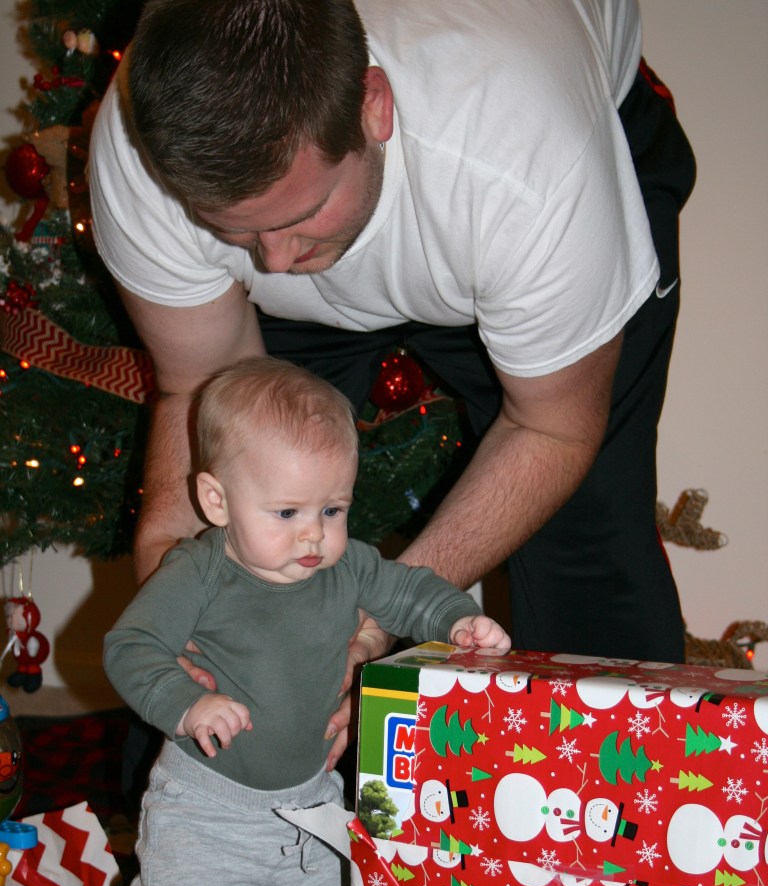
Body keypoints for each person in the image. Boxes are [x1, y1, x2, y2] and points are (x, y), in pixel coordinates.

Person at [89, 0, 696, 765]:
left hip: (531, 177)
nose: (274, 263)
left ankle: (615, 812)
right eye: (232, 231)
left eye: (302, 213)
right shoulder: (143, 154)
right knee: (256, 484)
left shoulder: (527, 165)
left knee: (589, 533)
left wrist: (372, 613)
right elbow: (205, 392)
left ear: (374, 106)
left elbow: (552, 427)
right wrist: (173, 611)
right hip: (423, 190)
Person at [103, 357, 510, 886]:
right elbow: (130, 647)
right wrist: (186, 702)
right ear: (217, 500)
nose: (313, 537)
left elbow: (413, 591)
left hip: (307, 809)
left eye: (333, 510)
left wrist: (458, 620)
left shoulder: (346, 567)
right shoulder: (196, 572)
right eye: (287, 513)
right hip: (203, 810)